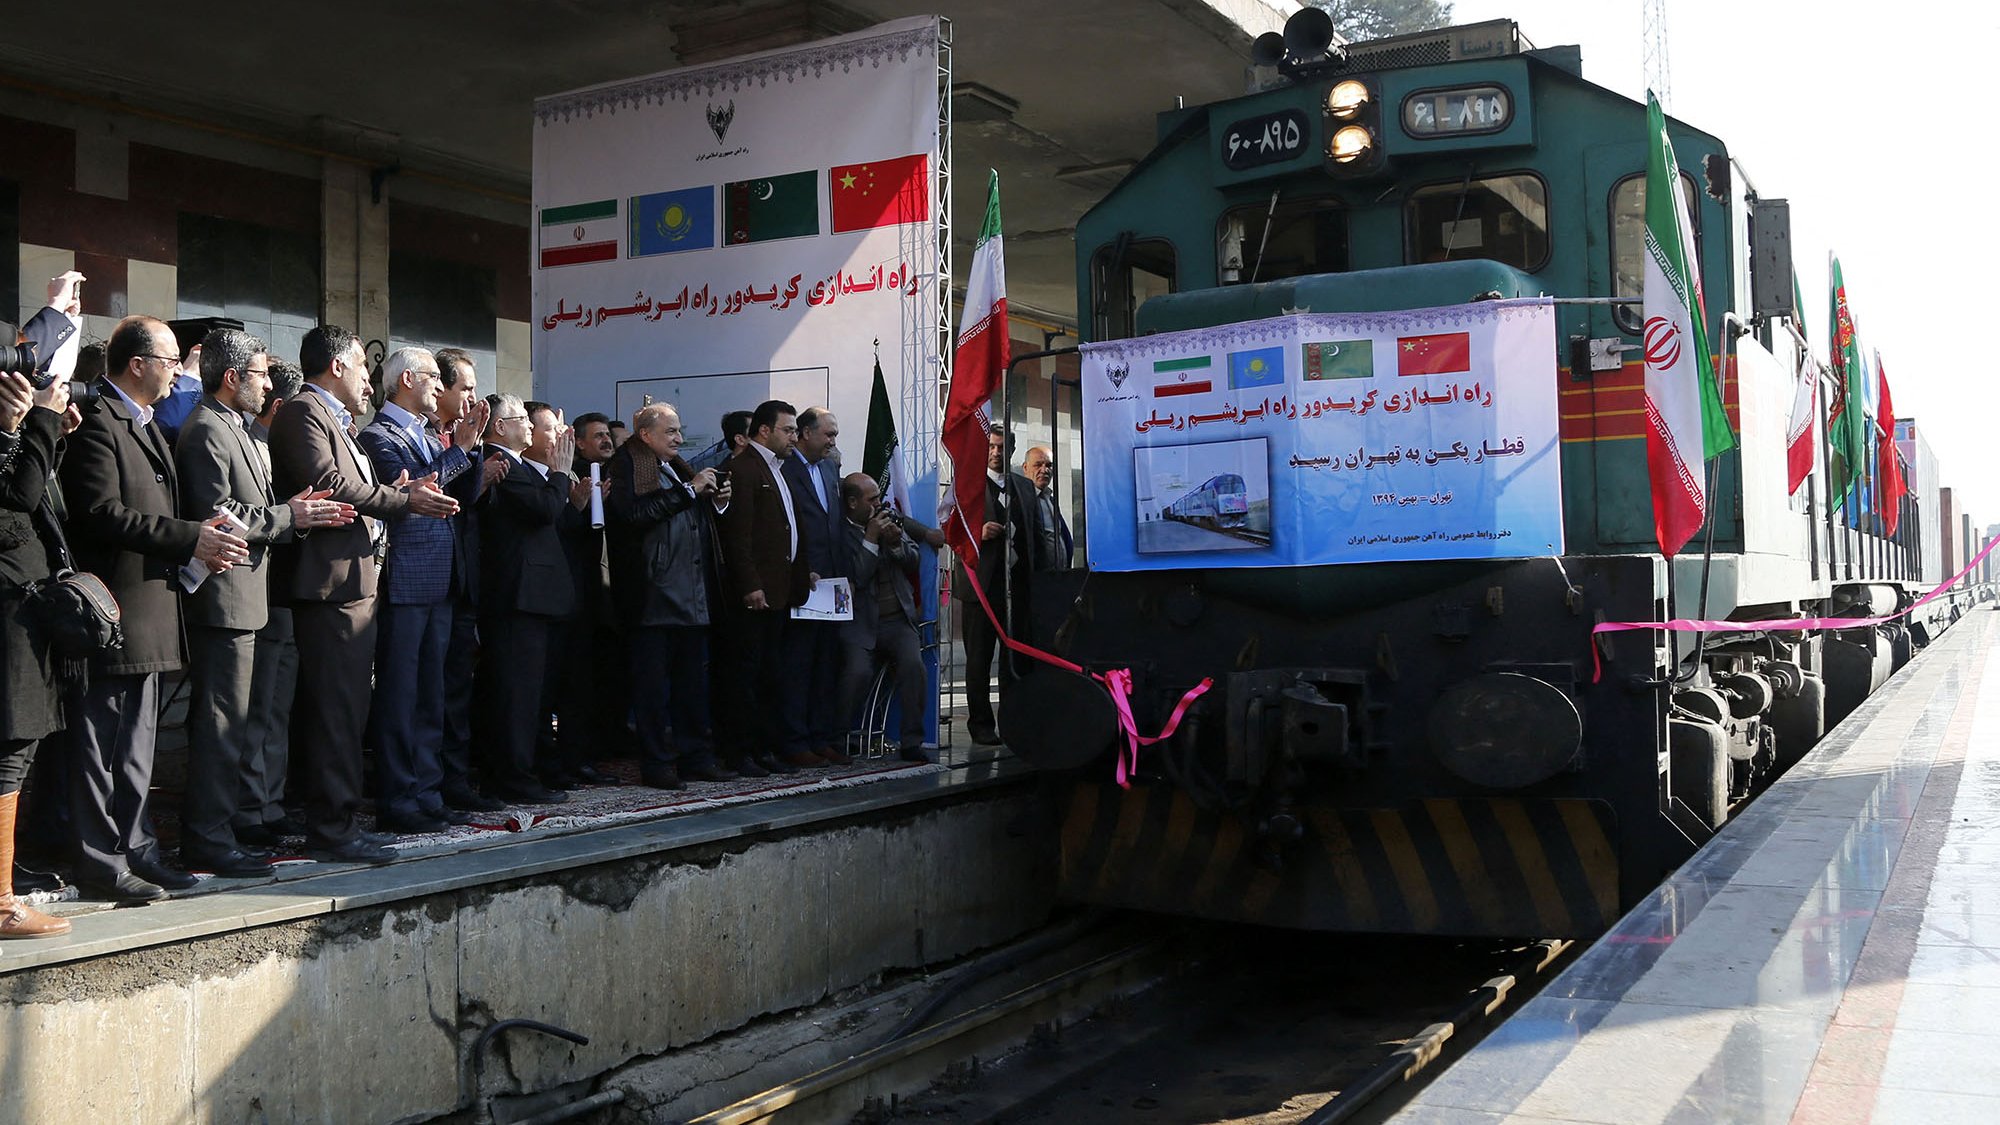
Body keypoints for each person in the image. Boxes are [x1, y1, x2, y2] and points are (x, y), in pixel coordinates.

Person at [61, 315, 250, 899]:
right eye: (171, 361)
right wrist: (190, 537)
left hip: (152, 611)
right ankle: (100, 861)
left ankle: (138, 848)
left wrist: (201, 536)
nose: (180, 373)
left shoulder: (143, 423)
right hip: (117, 610)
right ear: (137, 364)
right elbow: (102, 513)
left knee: (136, 748)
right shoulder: (99, 421)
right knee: (103, 745)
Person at [269, 325, 458, 865]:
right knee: (335, 710)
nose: (369, 382)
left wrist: (396, 494)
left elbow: (360, 486)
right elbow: (330, 483)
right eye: (360, 367)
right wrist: (401, 501)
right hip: (329, 587)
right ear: (335, 366)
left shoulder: (336, 420)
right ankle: (332, 827)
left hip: (355, 585)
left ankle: (343, 819)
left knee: (350, 709)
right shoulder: (305, 411)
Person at [175, 329, 352, 876]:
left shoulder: (238, 428)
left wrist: (285, 510)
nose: (270, 383)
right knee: (220, 726)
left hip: (249, 597)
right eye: (260, 374)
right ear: (232, 379)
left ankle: (222, 830)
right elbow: (219, 515)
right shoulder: (206, 427)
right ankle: (207, 837)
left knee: (238, 725)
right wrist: (287, 517)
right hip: (224, 600)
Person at [356, 346, 486, 833]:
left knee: (433, 692)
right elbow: (412, 494)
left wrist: (467, 449)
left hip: (442, 576)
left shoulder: (431, 434)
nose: (440, 386)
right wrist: (460, 451)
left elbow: (462, 496)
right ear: (407, 379)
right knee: (401, 693)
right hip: (407, 577)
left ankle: (428, 792)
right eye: (434, 378)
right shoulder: (378, 437)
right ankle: (398, 797)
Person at [606, 403, 736, 787]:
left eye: (680, 432)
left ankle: (696, 756)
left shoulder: (678, 468)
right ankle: (657, 764)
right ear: (646, 435)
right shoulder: (627, 464)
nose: (680, 439)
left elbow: (695, 517)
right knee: (651, 692)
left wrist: (716, 498)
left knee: (692, 688)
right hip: (652, 596)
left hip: (691, 595)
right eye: (671, 432)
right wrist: (689, 492)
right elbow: (633, 514)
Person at [1, 365, 75, 936]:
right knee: (10, 748)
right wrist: (38, 423)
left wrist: (50, 434)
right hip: (7, 616)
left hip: (24, 613)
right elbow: (17, 502)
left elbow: (42, 502)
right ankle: (2, 903)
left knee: (19, 749)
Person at [474, 394, 576, 804]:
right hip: (515, 597)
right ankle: (513, 777)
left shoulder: (517, 464)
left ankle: (525, 769)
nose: (532, 429)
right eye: (523, 421)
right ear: (500, 427)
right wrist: (561, 474)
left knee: (530, 693)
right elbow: (543, 508)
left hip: (533, 597)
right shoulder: (499, 463)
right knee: (515, 694)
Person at [716, 399, 810, 776]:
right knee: (747, 677)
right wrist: (750, 584)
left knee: (771, 675)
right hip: (755, 596)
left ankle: (765, 748)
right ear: (765, 430)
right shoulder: (744, 469)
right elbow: (738, 537)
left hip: (780, 591)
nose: (794, 437)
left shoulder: (777, 468)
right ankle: (741, 752)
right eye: (787, 430)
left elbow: (783, 529)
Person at [236, 358, 308, 847]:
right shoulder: (248, 445)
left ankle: (271, 801)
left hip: (286, 595)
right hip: (256, 593)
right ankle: (248, 807)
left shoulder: (279, 449)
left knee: (278, 708)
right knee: (256, 708)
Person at [430, 349, 502, 813]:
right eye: (467, 389)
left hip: (463, 579)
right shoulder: (423, 436)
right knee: (428, 691)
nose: (474, 398)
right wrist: (464, 453)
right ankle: (427, 781)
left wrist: (475, 460)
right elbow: (430, 490)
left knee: (457, 687)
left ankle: (454, 779)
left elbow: (469, 505)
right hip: (427, 580)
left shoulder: (467, 440)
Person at [545, 409, 621, 786]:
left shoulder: (605, 476)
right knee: (568, 686)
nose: (606, 441)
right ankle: (564, 761)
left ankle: (585, 756)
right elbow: (561, 533)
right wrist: (578, 503)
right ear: (579, 441)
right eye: (598, 435)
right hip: (569, 597)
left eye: (609, 435)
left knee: (592, 684)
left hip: (597, 597)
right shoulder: (568, 476)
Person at [834, 473, 931, 763]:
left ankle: (912, 741)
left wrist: (896, 543)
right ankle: (836, 740)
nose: (879, 503)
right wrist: (871, 539)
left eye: (879, 496)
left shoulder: (890, 520)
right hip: (860, 624)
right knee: (857, 673)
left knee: (914, 667)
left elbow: (914, 559)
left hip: (897, 620)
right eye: (872, 499)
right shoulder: (841, 533)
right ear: (852, 503)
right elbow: (858, 577)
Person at [955, 426, 1039, 746]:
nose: (995, 452)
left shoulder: (1025, 488)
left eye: (1002, 447)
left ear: (1013, 450)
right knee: (978, 660)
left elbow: (1035, 536)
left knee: (1014, 659)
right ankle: (981, 725)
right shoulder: (967, 487)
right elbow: (951, 532)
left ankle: (1014, 721)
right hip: (981, 587)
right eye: (991, 446)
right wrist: (978, 533)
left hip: (1017, 586)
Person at [778, 406, 848, 767]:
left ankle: (822, 737)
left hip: (833, 585)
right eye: (828, 434)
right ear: (805, 433)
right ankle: (795, 740)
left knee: (826, 665)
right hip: (804, 582)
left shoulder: (829, 468)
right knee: (799, 665)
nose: (833, 442)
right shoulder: (786, 471)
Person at [1021, 446, 1073, 571]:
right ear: (1025, 468)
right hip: (1034, 578)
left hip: (1060, 576)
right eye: (1038, 465)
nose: (1044, 470)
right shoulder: (1019, 500)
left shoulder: (1050, 500)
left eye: (1049, 465)